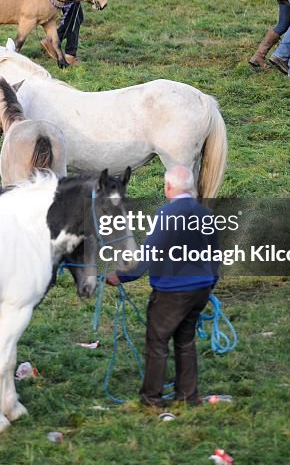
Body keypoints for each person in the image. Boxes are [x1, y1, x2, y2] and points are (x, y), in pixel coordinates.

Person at [106, 166, 219, 408]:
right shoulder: (206, 214)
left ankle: (151, 398)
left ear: (168, 187)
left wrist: (121, 276)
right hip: (200, 290)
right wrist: (209, 286)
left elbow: (147, 255)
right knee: (185, 342)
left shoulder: (166, 215)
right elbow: (215, 256)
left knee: (157, 342)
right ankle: (187, 396)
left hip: (171, 292)